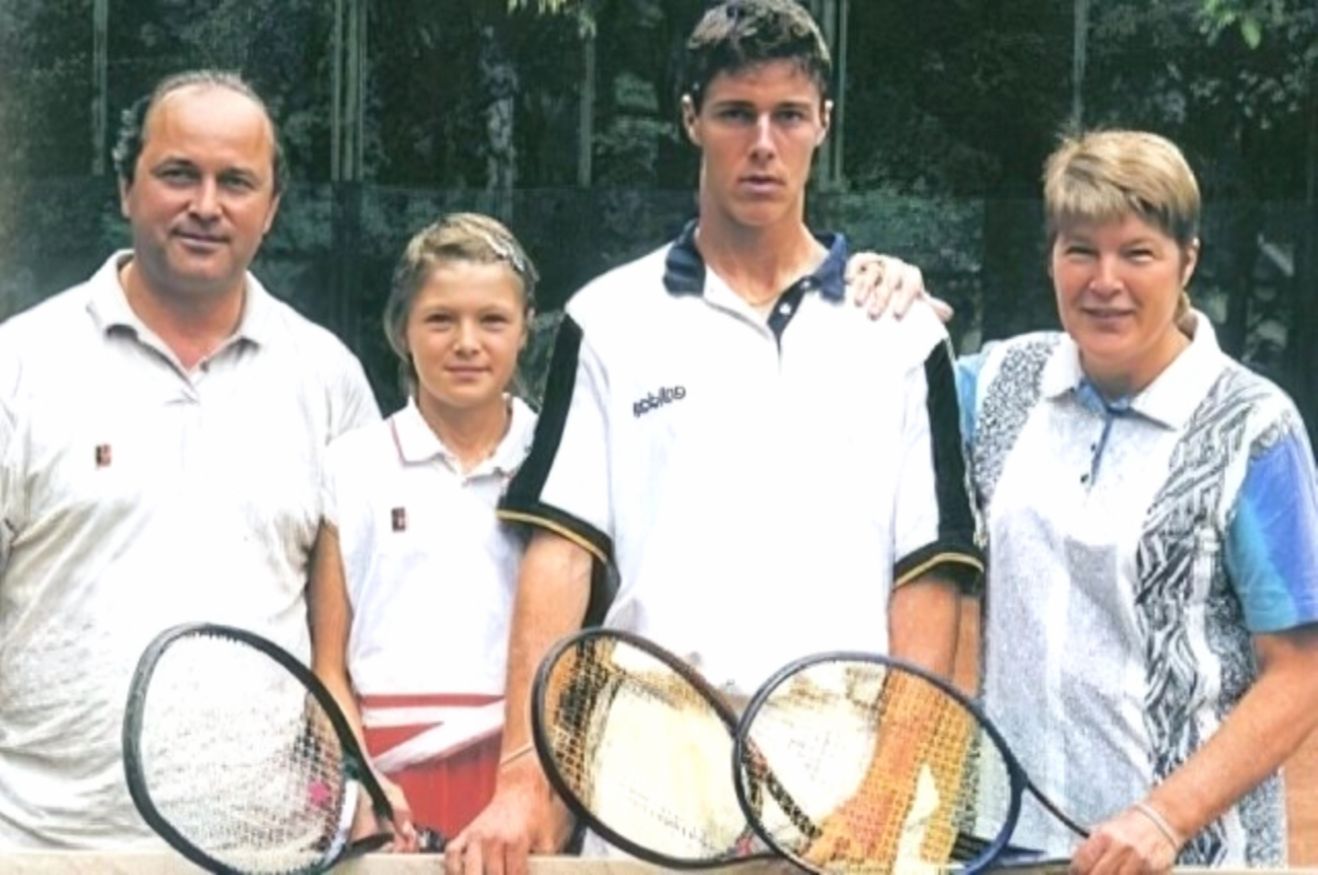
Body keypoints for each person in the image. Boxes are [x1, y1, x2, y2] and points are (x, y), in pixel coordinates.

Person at [445, 2, 983, 872]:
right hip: (652, 746)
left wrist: (890, 787)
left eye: (789, 116)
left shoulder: (903, 332)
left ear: (824, 124)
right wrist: (522, 779)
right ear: (691, 118)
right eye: (737, 113)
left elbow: (929, 579)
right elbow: (559, 558)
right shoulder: (608, 317)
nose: (763, 143)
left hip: (847, 746)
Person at [862, 129, 1318, 872]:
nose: (1105, 281)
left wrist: (1165, 818)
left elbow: (1301, 672)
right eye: (1081, 251)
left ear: (1187, 261)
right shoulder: (999, 383)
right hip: (1003, 843)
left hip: (1186, 856)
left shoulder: (1254, 427)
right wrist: (873, 285)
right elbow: (873, 384)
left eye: (1137, 253)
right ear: (1052, 258)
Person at [0, 70, 378, 849]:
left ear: (271, 208)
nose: (206, 205)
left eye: (236, 182)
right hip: (40, 842)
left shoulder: (327, 377)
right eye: (178, 173)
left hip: (265, 850)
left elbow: (349, 639)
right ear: (125, 188)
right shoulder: (21, 365)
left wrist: (359, 778)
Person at [310, 213, 539, 844]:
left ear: (525, 329)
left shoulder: (560, 458)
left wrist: (538, 799)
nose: (466, 342)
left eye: (492, 320)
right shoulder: (351, 466)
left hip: (522, 784)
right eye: (440, 319)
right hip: (387, 790)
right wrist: (363, 785)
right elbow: (328, 666)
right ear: (401, 329)